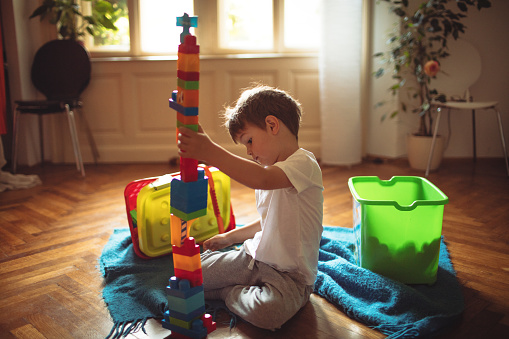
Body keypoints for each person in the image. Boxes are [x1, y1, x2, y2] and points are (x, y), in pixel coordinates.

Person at [177, 85, 323, 330]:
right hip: (253, 258)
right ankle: (235, 288)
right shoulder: (268, 173)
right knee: (187, 277)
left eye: (250, 141)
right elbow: (267, 221)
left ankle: (228, 293)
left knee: (269, 314)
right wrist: (228, 238)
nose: (249, 153)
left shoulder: (303, 164)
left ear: (272, 125)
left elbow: (260, 179)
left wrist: (209, 151)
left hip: (290, 277)